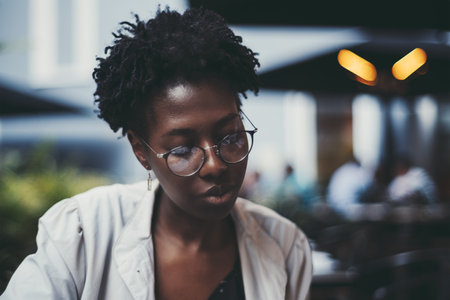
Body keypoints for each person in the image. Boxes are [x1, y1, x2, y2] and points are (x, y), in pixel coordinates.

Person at [1, 7, 312, 300]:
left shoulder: (285, 244)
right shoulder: (83, 232)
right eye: (182, 149)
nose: (215, 166)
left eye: (230, 136)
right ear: (141, 151)